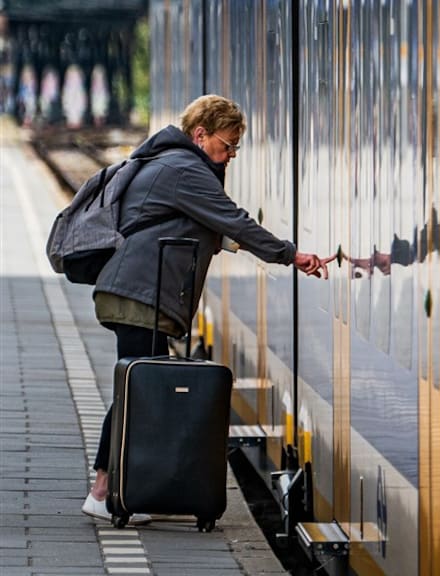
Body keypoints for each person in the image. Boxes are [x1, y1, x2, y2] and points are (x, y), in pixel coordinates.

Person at [80, 94, 333, 524]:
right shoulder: (185, 170)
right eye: (227, 144)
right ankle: (104, 489)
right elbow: (234, 220)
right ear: (201, 134)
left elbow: (210, 226)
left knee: (139, 386)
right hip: (140, 292)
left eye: (235, 147)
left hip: (137, 289)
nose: (231, 155)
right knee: (137, 390)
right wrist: (291, 255)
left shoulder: (173, 162)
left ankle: (122, 486)